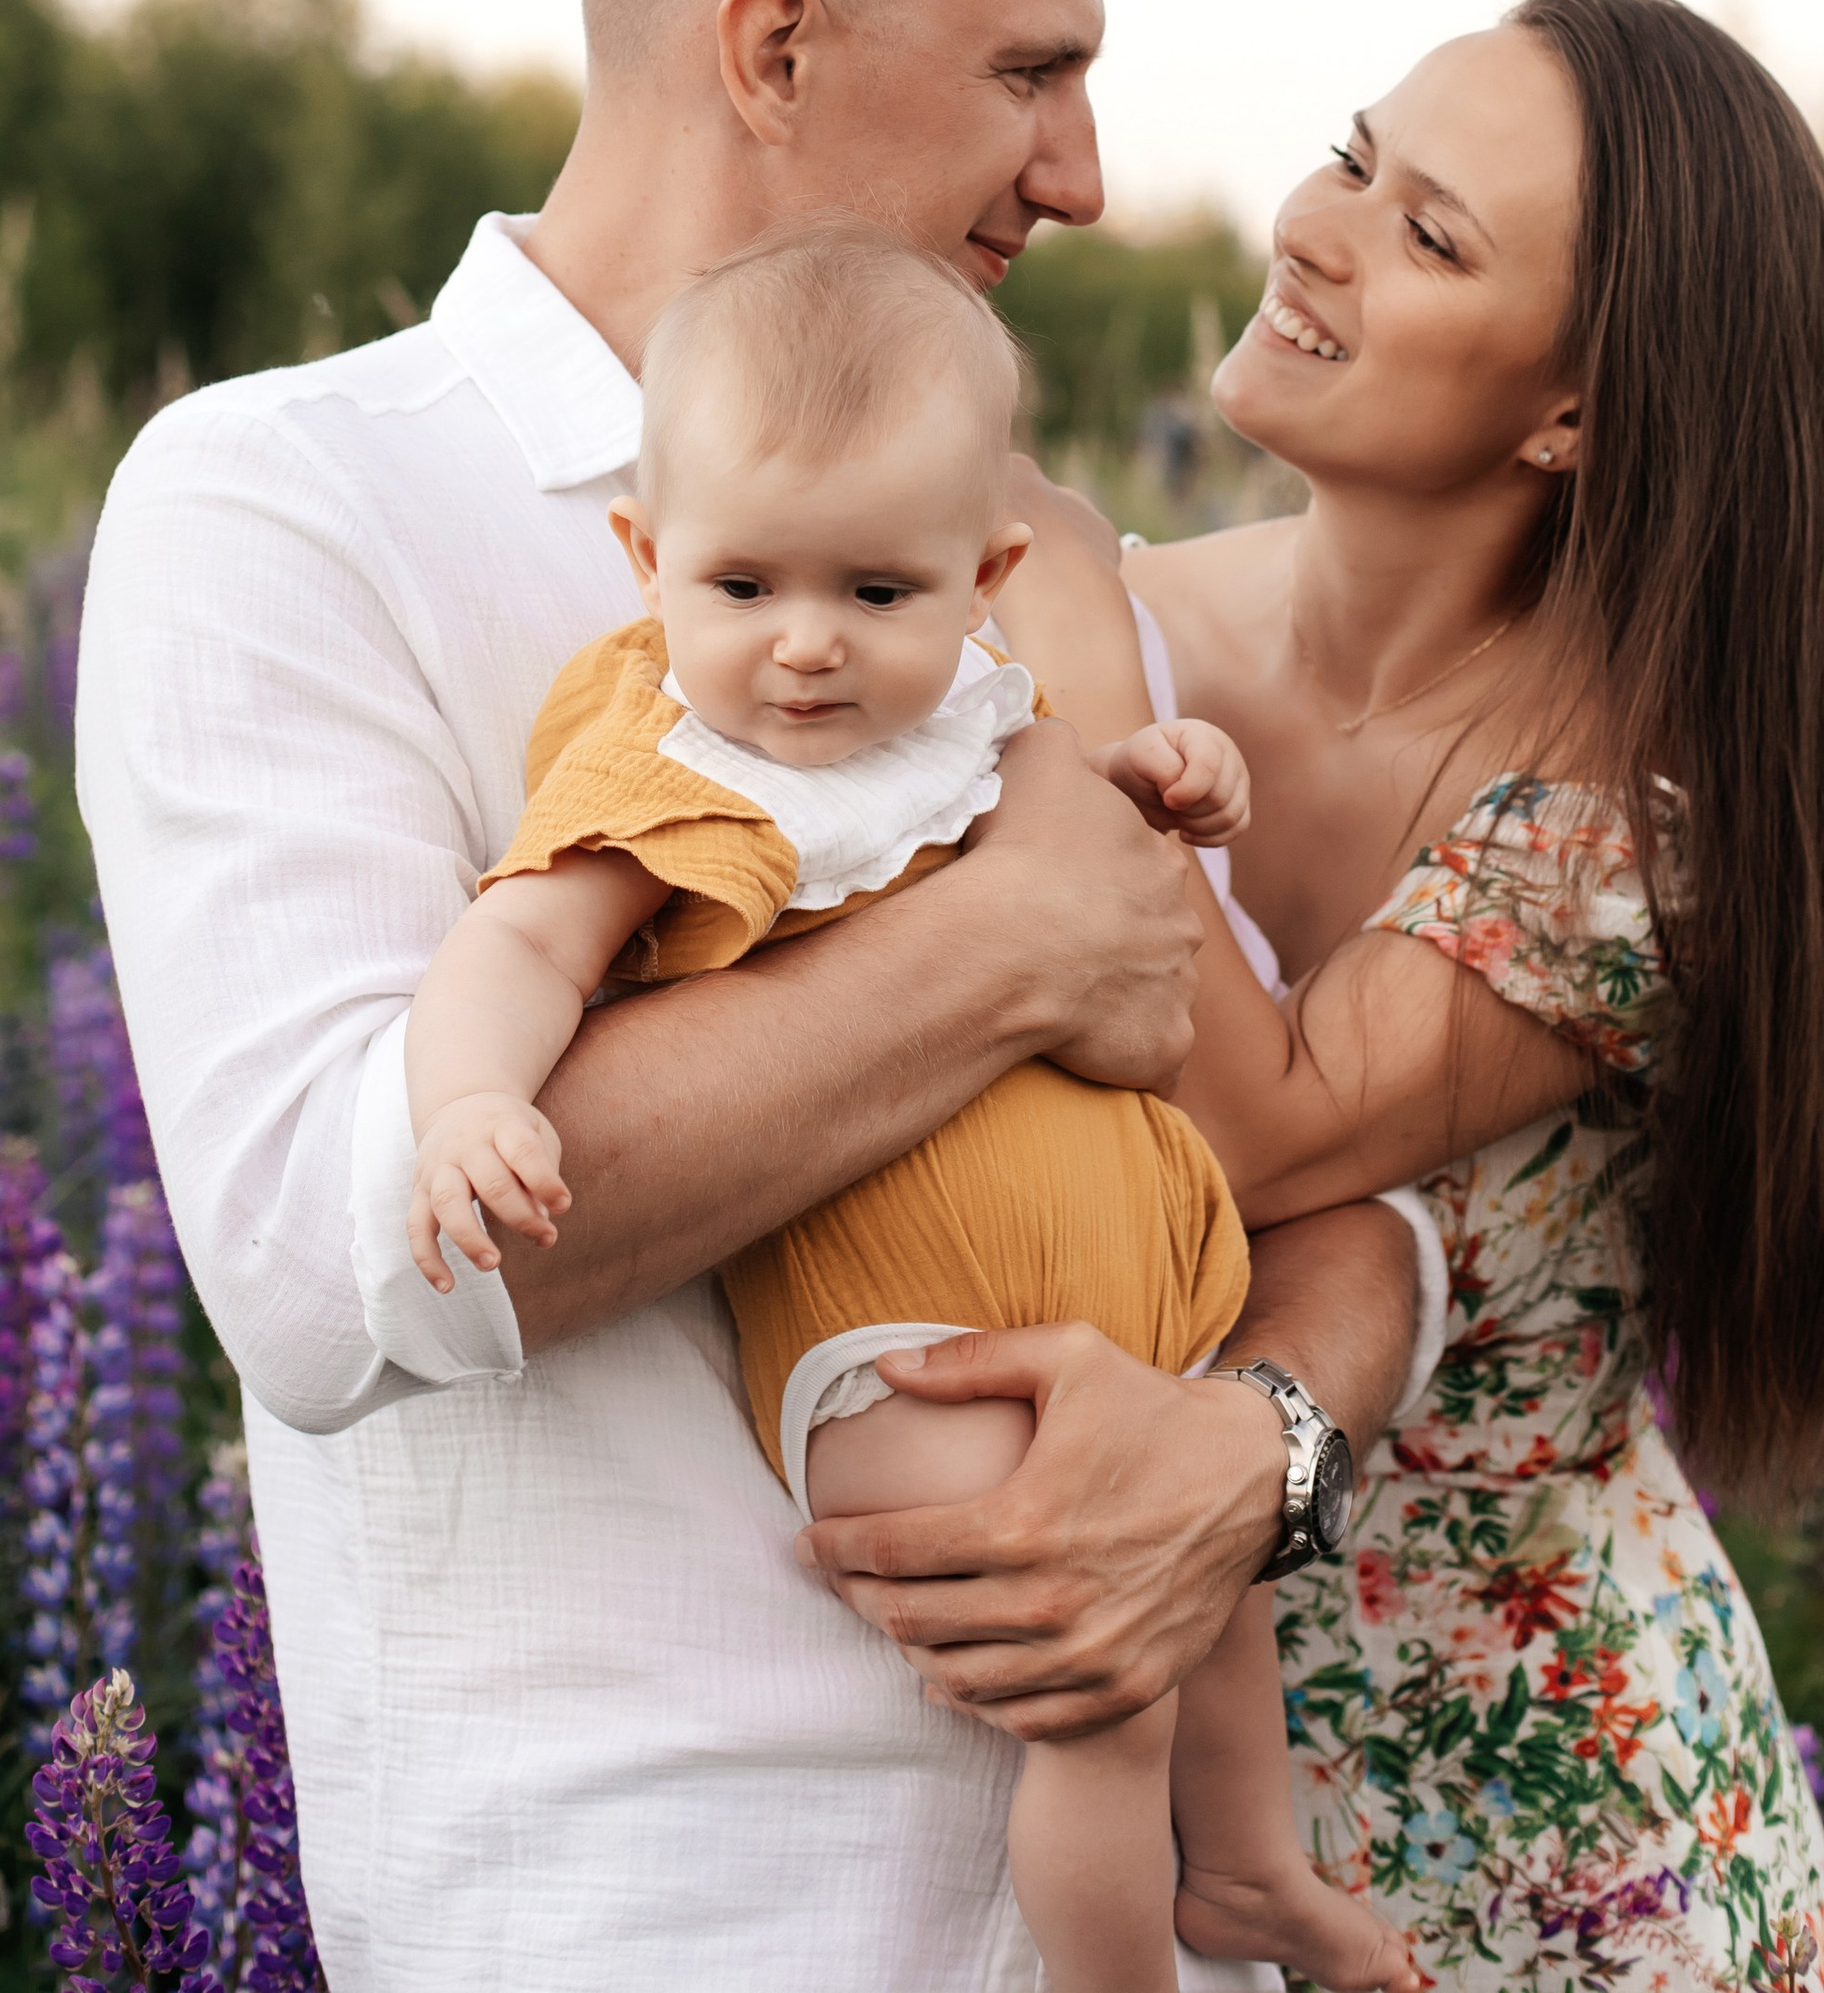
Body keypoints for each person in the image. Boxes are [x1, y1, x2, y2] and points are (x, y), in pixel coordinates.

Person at [76, 0, 1426, 1992]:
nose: (1086, 176)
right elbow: (328, 1263)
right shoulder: (286, 499)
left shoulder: (1011, 553)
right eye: (1030, 71)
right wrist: (997, 943)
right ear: (774, 48)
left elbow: (1315, 1182)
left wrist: (1257, 1455)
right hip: (674, 1919)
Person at [1002, 0, 1824, 1988]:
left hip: (1545, 1846)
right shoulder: (1150, 621)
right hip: (1152, 1824)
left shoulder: (1632, 814)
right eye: (1350, 156)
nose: (1313, 231)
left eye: (1427, 234)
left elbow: (1240, 1123)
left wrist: (1056, 602)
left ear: (1571, 410)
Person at [401, 218, 1411, 1993]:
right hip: (909, 1342)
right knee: (1097, 1686)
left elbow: (1037, 840)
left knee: (1217, 1594)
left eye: (876, 594)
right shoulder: (677, 760)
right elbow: (518, 948)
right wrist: (472, 1105)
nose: (805, 648)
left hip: (1136, 1302)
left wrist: (1148, 783)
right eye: (743, 589)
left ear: (983, 570)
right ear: (647, 559)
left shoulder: (967, 716)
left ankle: (1248, 1872)